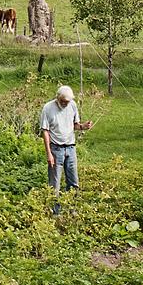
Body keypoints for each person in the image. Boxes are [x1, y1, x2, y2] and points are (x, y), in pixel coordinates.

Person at [38, 84, 93, 216]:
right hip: (56, 149)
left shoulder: (72, 105)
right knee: (54, 184)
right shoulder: (48, 108)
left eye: (67, 102)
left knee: (73, 182)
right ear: (57, 98)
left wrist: (83, 126)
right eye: (63, 101)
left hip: (71, 148)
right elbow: (45, 131)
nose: (65, 104)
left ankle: (72, 209)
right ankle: (55, 213)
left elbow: (74, 125)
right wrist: (49, 154)